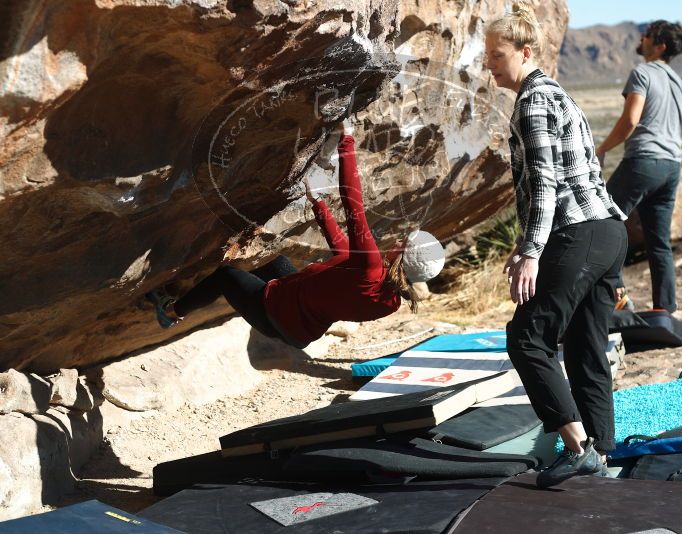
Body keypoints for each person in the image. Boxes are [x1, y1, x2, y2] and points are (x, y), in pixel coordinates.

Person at [484, 2, 627, 488]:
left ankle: (578, 447)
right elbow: (581, 175)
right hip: (607, 230)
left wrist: (531, 251)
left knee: (527, 337)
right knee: (587, 346)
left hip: (578, 232)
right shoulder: (559, 95)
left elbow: (545, 184)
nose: (489, 64)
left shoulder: (532, 102)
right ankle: (602, 454)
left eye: (497, 55)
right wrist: (528, 241)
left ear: (525, 52)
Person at [146, 121, 445, 349]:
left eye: (403, 242)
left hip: (274, 313)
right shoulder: (390, 301)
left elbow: (353, 200)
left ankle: (170, 312)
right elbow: (343, 258)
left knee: (226, 276)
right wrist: (318, 204)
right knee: (275, 263)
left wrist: (347, 139)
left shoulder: (370, 266)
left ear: (403, 254)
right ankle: (199, 297)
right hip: (302, 329)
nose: (397, 240)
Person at [596, 20, 682, 313]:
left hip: (643, 162)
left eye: (647, 35)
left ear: (659, 45)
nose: (642, 37)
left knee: (601, 222)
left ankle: (617, 299)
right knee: (659, 242)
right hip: (671, 167)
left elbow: (630, 121)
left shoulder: (643, 73)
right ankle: (667, 309)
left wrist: (602, 149)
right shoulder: (680, 84)